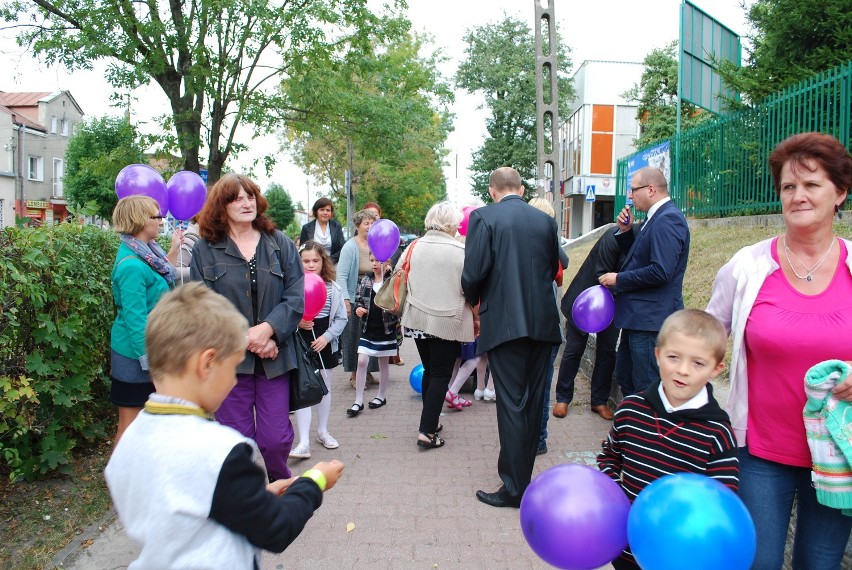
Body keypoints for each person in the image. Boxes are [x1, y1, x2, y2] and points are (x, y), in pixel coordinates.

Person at [105, 283, 344, 569]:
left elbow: (181, 512)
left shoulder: (129, 443)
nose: (233, 382)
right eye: (232, 368)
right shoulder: (219, 450)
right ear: (207, 364)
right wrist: (314, 481)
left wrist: (257, 497)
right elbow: (275, 530)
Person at [706, 132, 852, 569]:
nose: (798, 195)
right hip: (760, 453)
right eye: (789, 186)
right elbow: (706, 336)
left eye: (812, 184)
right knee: (756, 561)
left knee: (820, 563)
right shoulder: (748, 265)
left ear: (840, 193)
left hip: (838, 453)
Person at [597, 309, 738, 570]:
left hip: (678, 556)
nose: (683, 370)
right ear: (658, 354)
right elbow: (609, 457)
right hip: (627, 548)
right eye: (674, 357)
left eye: (698, 363)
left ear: (716, 369)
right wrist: (618, 496)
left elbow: (721, 500)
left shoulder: (717, 432)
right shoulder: (630, 410)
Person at [190, 173, 304, 481]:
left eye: (250, 196)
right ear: (221, 206)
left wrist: (268, 330)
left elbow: (296, 296)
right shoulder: (205, 249)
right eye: (237, 198)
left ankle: (280, 485)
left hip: (274, 357)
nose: (246, 202)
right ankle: (247, 498)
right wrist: (245, 338)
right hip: (229, 362)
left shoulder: (278, 243)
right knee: (235, 442)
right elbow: (203, 304)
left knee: (275, 438)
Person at [462, 167, 562, 507]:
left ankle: (514, 488)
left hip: (504, 325)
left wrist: (474, 299)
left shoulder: (483, 218)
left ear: (492, 190)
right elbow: (551, 267)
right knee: (533, 404)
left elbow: (473, 272)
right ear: (520, 188)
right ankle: (522, 481)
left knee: (511, 405)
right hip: (544, 324)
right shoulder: (545, 221)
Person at [599, 166, 690, 397]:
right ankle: (631, 431)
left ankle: (646, 433)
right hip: (638, 319)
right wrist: (627, 232)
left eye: (633, 190)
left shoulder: (668, 219)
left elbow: (660, 271)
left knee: (646, 388)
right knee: (628, 380)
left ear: (650, 189)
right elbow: (640, 260)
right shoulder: (654, 218)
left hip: (650, 322)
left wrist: (618, 279)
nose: (630, 196)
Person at [399, 201, 475, 448]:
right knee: (441, 373)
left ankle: (429, 419)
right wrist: (476, 317)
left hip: (417, 318)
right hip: (448, 320)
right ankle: (427, 431)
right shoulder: (460, 251)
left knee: (431, 370)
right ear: (452, 224)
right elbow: (470, 288)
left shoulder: (414, 246)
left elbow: (400, 274)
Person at [109, 195, 181, 444]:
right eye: (156, 216)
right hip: (134, 357)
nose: (161, 221)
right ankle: (120, 482)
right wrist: (152, 366)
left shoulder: (147, 254)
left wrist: (173, 250)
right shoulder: (132, 265)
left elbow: (161, 282)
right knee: (130, 426)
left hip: (151, 351)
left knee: (151, 425)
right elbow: (135, 320)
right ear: (139, 220)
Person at [553, 228, 627, 422]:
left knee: (607, 351)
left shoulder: (641, 240)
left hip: (614, 303)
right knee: (574, 349)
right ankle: (563, 397)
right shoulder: (614, 236)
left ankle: (599, 400)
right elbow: (602, 273)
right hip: (586, 300)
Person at [289, 241, 347, 459]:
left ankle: (322, 431)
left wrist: (327, 337)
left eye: (316, 260)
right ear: (298, 262)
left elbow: (341, 319)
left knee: (325, 387)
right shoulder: (292, 286)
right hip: (300, 340)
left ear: (323, 262)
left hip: (324, 341)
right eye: (306, 261)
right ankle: (303, 441)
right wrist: (297, 322)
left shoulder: (333, 288)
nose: (311, 265)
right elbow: (284, 312)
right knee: (303, 388)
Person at [528, 196, 569, 456]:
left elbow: (562, 265)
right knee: (540, 386)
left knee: (539, 387)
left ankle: (538, 438)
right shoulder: (540, 249)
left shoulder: (540, 248)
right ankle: (538, 437)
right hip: (546, 327)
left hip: (542, 328)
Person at [346, 253, 400, 417]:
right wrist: (358, 309)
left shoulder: (392, 280)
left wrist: (392, 273)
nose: (374, 264)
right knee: (362, 361)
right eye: (372, 260)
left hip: (386, 329)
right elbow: (358, 300)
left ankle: (381, 396)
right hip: (368, 329)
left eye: (378, 260)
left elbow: (400, 301)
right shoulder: (366, 280)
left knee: (384, 362)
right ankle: (358, 400)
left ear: (387, 262)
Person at [336, 209, 381, 387]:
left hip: (373, 296)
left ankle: (367, 371)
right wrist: (346, 300)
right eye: (366, 223)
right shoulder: (350, 246)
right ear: (357, 226)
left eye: (372, 223)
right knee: (354, 336)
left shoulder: (377, 244)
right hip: (355, 296)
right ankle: (355, 375)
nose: (370, 227)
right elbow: (341, 275)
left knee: (370, 335)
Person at [299, 198, 345, 265]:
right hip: (312, 264)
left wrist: (328, 261)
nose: (325, 213)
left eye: (328, 210)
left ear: (331, 213)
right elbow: (302, 249)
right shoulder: (306, 228)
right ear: (316, 211)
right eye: (322, 210)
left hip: (332, 264)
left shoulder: (336, 226)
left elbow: (342, 248)